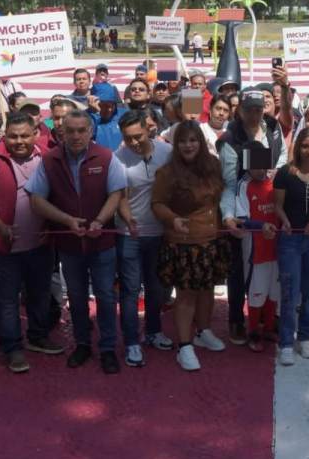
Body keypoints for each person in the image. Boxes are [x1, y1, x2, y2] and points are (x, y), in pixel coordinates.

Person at [26, 110, 128, 373]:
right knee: (77, 295)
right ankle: (82, 343)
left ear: (90, 131)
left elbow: (116, 194)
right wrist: (67, 220)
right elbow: (36, 200)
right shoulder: (49, 161)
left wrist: (100, 221)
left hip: (101, 242)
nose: (76, 135)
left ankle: (107, 347)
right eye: (70, 131)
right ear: (61, 133)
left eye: (81, 130)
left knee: (105, 296)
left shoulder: (106, 157)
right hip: (69, 245)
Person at [0, 112, 61, 373]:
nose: (19, 141)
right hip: (2, 246)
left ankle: (38, 336)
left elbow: (57, 193)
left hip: (41, 243)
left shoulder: (46, 156)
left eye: (24, 135)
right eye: (13, 136)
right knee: (6, 300)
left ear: (35, 135)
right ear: (4, 135)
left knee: (40, 294)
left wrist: (52, 226)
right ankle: (12, 348)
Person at [151, 121, 231, 372]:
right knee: (185, 295)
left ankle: (203, 331)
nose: (188, 145)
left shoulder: (214, 166)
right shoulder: (167, 173)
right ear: (176, 144)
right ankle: (184, 345)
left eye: (193, 140)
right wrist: (172, 219)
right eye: (183, 141)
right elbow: (157, 203)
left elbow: (225, 194)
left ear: (201, 142)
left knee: (207, 289)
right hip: (184, 243)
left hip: (212, 239)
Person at [219, 89, 287, 344]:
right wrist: (228, 216)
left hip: (268, 201)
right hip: (242, 206)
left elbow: (281, 159)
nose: (255, 114)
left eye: (259, 108)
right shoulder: (231, 138)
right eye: (250, 109)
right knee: (239, 269)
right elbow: (228, 183)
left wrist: (275, 177)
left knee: (269, 269)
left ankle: (266, 319)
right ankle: (237, 319)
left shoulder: (271, 127)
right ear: (240, 111)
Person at [115, 110, 175, 354]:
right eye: (128, 138)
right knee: (130, 289)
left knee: (156, 286)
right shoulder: (117, 159)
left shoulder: (167, 153)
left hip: (159, 232)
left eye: (137, 136)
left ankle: (153, 331)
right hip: (129, 234)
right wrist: (127, 218)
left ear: (148, 128)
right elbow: (119, 196)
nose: (133, 143)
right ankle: (131, 341)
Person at [272, 128, 309, 366]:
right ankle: (286, 342)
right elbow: (277, 205)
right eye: (305, 146)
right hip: (290, 239)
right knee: (289, 291)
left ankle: (304, 337)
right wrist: (285, 221)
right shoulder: (285, 173)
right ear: (298, 147)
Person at [228, 148, 280, 353]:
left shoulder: (275, 182)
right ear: (247, 165)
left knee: (273, 291)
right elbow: (241, 219)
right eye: (255, 166)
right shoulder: (243, 185)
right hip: (255, 250)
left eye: (263, 165)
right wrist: (261, 227)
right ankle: (253, 331)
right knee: (256, 292)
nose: (260, 171)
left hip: (276, 247)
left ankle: (268, 328)